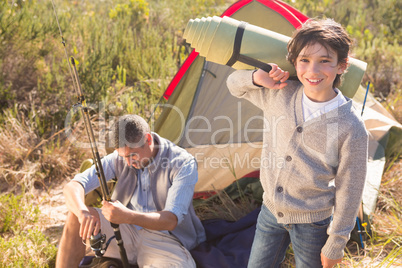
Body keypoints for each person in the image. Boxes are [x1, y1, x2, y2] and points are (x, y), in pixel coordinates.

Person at [226, 19, 368, 268]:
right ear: (294, 62)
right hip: (270, 211)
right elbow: (233, 86)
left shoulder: (351, 127)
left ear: (342, 66)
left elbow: (350, 190)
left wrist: (336, 242)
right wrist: (257, 78)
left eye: (324, 61)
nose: (312, 71)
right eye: (304, 60)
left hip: (313, 223)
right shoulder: (281, 93)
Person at [56, 114, 206, 267]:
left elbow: (171, 220)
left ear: (147, 140)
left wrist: (127, 216)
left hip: (164, 239)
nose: (128, 162)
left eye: (132, 155)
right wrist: (82, 213)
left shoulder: (183, 163)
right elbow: (73, 186)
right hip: (123, 230)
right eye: (124, 156)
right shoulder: (120, 158)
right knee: (75, 216)